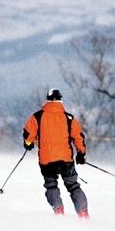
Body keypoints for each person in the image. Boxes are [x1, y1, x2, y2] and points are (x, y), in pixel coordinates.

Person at [23, 88, 89, 219]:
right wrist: (81, 154)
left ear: (47, 100)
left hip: (46, 161)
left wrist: (28, 144)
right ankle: (83, 214)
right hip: (66, 160)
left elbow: (28, 135)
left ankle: (58, 211)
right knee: (73, 186)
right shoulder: (69, 118)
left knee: (51, 185)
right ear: (61, 100)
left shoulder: (37, 116)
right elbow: (78, 137)